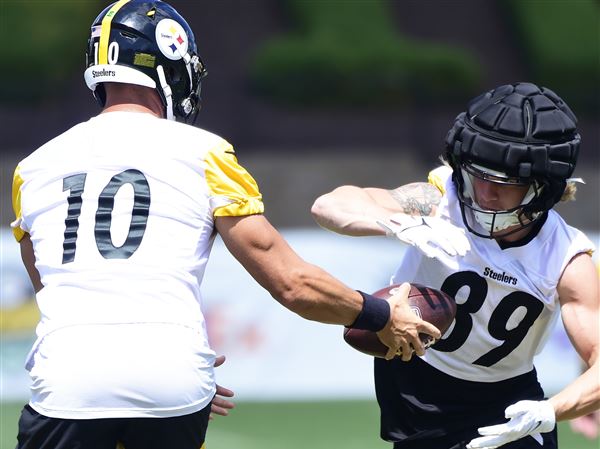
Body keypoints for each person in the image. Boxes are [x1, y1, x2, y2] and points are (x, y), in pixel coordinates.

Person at [10, 1, 441, 448]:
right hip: (173, 378)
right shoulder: (205, 153)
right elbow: (290, 282)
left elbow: (52, 289)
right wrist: (380, 315)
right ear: (171, 63)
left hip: (69, 378)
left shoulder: (32, 168)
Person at [311, 82, 599, 449]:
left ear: (543, 188)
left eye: (504, 183)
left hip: (505, 402)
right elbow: (329, 205)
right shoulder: (436, 200)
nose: (484, 192)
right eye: (476, 174)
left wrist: (551, 410)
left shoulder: (566, 257)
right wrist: (395, 222)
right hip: (414, 387)